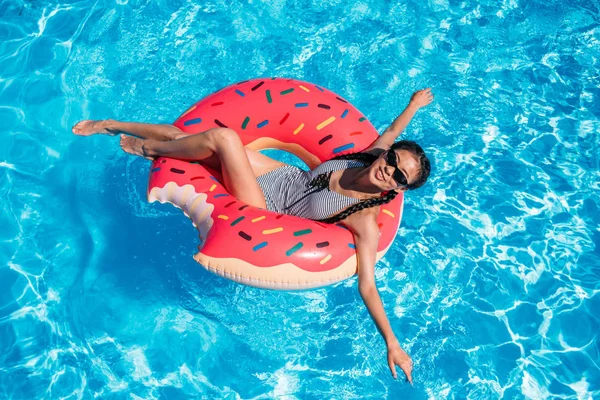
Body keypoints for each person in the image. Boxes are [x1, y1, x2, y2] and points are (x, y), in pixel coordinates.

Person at [72, 88, 433, 383]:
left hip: (268, 209)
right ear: (386, 156)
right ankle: (111, 125)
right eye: (393, 163)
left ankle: (147, 149)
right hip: (284, 176)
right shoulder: (367, 156)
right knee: (190, 139)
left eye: (401, 178)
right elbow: (390, 133)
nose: (390, 173)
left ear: (402, 190)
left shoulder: (365, 219)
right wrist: (412, 106)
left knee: (222, 138)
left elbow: (367, 285)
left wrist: (392, 343)